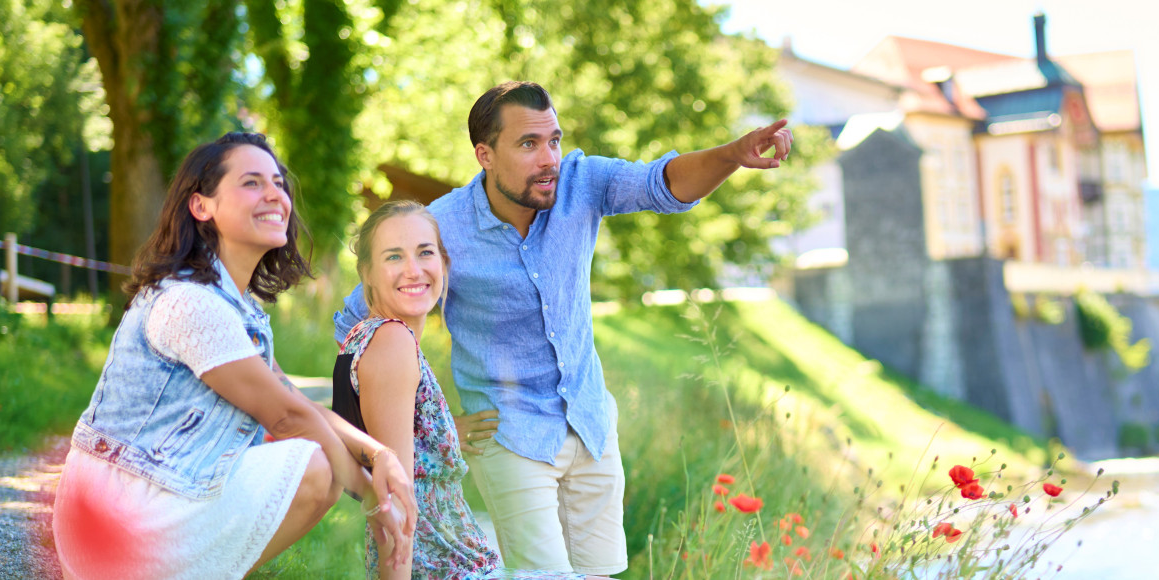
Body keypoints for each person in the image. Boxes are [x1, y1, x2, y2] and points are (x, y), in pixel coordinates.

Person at [334, 81, 791, 574]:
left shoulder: (582, 182)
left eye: (553, 140)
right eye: (528, 144)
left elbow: (663, 184)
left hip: (590, 423)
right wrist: (435, 428)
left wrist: (732, 155)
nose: (549, 157)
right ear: (485, 155)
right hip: (510, 436)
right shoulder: (440, 227)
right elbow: (355, 327)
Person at [55, 132, 415, 579]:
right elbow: (286, 418)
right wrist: (375, 502)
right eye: (251, 183)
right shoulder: (191, 302)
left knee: (313, 454)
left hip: (160, 496)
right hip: (118, 518)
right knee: (314, 467)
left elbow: (293, 398)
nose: (274, 194)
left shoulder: (238, 308)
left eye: (278, 182)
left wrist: (379, 454)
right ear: (202, 206)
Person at [335, 200, 602, 579]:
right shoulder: (391, 342)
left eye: (425, 252)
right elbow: (394, 497)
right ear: (367, 274)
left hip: (461, 564)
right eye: (394, 256)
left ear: (444, 263)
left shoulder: (376, 338)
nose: (414, 270)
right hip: (445, 570)